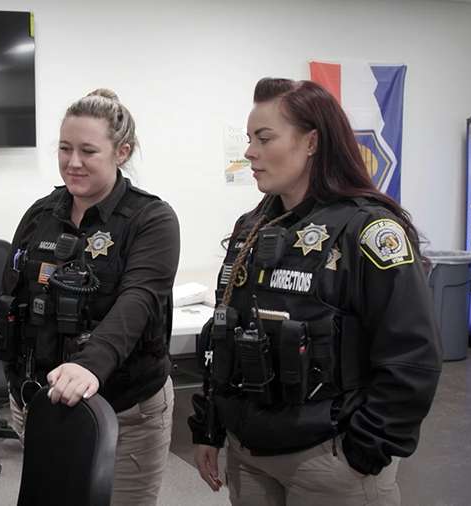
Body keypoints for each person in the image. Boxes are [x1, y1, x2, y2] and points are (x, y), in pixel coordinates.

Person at [189, 78, 442, 505]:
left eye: (264, 138)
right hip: (248, 453)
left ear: (311, 142)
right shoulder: (251, 229)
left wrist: (366, 449)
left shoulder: (368, 230)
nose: (249, 152)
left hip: (331, 459)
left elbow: (413, 356)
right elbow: (224, 335)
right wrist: (209, 426)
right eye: (249, 139)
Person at [0, 89, 180, 505]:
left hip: (125, 410)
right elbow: (15, 296)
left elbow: (138, 301)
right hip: (44, 403)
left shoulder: (151, 219)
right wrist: (16, 379)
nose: (73, 162)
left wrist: (89, 366)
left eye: (88, 151)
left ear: (122, 151)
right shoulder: (41, 214)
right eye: (65, 149)